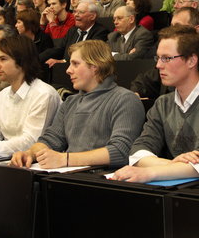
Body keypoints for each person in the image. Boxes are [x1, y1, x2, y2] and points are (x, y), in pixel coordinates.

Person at [112, 25, 199, 193]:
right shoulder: (162, 104)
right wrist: (172, 165)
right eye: (157, 58)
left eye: (166, 58)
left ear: (191, 61)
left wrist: (148, 172)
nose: (158, 65)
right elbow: (138, 152)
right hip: (175, 192)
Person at [11, 40, 145, 169]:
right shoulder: (70, 102)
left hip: (104, 182)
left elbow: (120, 151)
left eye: (75, 64)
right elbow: (51, 140)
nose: (68, 70)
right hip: (68, 177)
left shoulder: (125, 100)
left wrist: (65, 159)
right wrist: (29, 154)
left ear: (95, 67)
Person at [131, 7, 199, 99]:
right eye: (171, 26)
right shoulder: (168, 55)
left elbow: (189, 94)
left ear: (197, 30)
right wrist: (135, 94)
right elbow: (145, 80)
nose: (172, 31)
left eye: (178, 26)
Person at [40, 0, 109, 66]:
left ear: (92, 16)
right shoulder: (73, 30)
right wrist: (37, 58)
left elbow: (88, 55)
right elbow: (59, 49)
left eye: (80, 12)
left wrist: (64, 61)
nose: (76, 15)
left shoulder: (101, 32)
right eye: (75, 12)